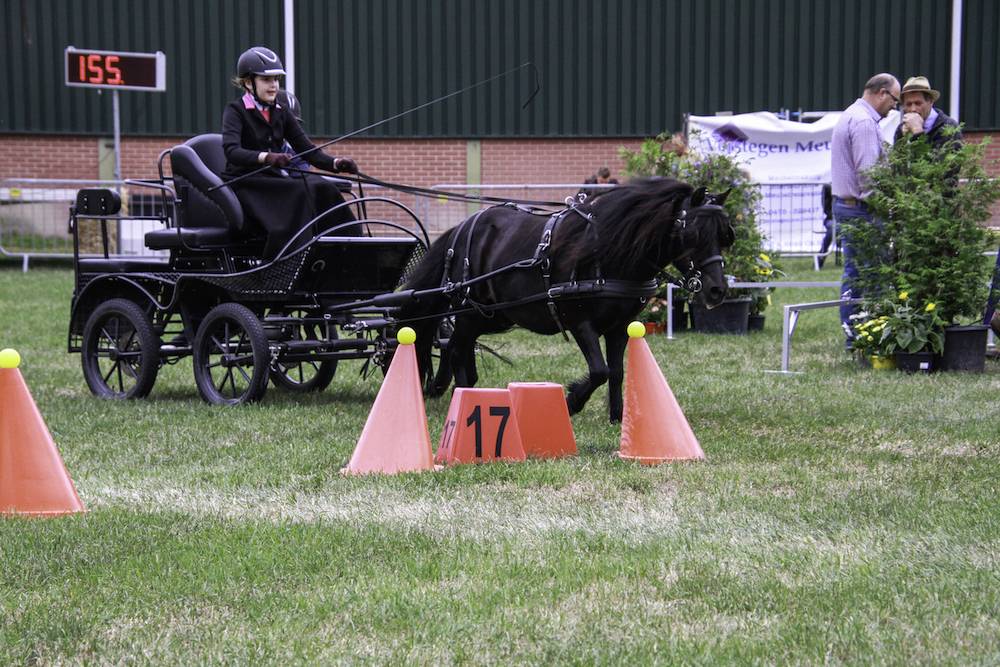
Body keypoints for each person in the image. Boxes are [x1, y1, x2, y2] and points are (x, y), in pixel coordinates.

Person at [222, 46, 359, 259]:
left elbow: (307, 149)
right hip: (247, 181)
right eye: (266, 80)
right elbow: (232, 151)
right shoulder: (235, 111)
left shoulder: (281, 111)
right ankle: (286, 260)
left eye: (276, 80)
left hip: (273, 179)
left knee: (324, 187)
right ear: (248, 82)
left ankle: (350, 251)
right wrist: (266, 158)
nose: (274, 85)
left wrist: (335, 163)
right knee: (299, 192)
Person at [831, 72, 901, 349]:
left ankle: (855, 332)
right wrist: (889, 207)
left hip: (849, 206)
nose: (894, 107)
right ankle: (859, 335)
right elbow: (869, 176)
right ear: (882, 93)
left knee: (855, 272)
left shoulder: (852, 114)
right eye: (894, 100)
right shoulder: (863, 122)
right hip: (862, 209)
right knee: (866, 274)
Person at [893, 76, 961, 149]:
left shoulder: (948, 127)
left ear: (931, 101)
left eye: (918, 103)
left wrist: (917, 132)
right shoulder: (901, 129)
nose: (913, 109)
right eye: (908, 104)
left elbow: (937, 156)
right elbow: (896, 155)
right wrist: (903, 139)